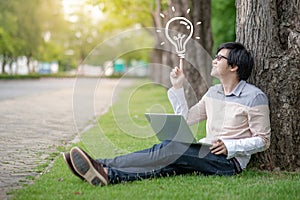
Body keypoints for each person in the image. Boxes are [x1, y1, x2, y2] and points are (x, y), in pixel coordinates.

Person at [63, 42, 271, 186]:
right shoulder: (213, 93)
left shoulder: (254, 97)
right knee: (164, 160)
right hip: (204, 151)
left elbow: (263, 140)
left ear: (234, 66)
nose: (214, 61)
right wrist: (178, 87)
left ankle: (100, 163)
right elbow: (187, 119)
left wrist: (230, 146)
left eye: (220, 58)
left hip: (228, 162)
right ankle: (107, 174)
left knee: (172, 149)